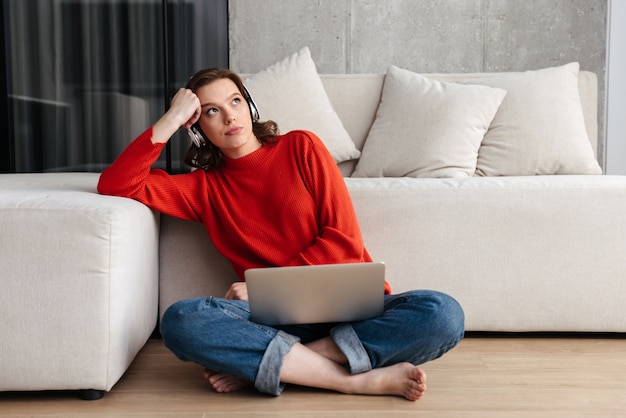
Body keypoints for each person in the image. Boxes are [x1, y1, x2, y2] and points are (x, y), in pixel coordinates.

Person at [97, 68, 464, 401]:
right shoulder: (203, 189)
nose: (229, 116)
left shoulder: (301, 147)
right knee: (181, 320)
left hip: (347, 308)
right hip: (271, 321)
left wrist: (266, 286)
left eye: (235, 101)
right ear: (197, 130)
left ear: (250, 106)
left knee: (443, 314)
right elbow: (117, 184)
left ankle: (282, 363)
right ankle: (349, 380)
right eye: (210, 111)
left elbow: (344, 241)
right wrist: (172, 117)